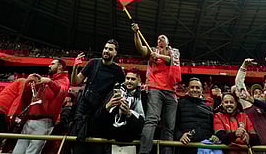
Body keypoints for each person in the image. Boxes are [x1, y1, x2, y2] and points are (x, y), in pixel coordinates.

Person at [131, 23, 181, 154]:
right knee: (151, 120)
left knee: (169, 125)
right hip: (155, 88)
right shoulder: (152, 49)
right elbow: (140, 49)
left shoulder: (174, 51)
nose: (160, 40)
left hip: (171, 90)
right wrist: (136, 33)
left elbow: (171, 61)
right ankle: (144, 152)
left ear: (168, 42)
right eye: (158, 39)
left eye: (163, 38)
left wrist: (158, 56)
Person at [69, 39, 125, 153]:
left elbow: (123, 90)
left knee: (97, 147)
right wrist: (75, 68)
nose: (106, 51)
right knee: (78, 146)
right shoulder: (93, 63)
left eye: (110, 49)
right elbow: (75, 81)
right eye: (105, 48)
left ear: (115, 53)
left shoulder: (118, 71)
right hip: (83, 110)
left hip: (101, 113)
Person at [13, 59, 70, 154]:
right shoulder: (46, 81)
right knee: (17, 152)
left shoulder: (64, 80)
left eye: (52, 64)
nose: (49, 66)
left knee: (32, 152)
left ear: (60, 66)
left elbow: (61, 90)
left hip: (43, 122)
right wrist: (30, 81)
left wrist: (49, 81)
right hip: (29, 120)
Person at [175, 78, 213, 154]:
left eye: (197, 87)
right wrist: (180, 136)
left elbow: (212, 127)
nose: (195, 90)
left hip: (205, 147)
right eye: (192, 87)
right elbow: (174, 125)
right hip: (186, 148)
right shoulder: (180, 104)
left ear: (201, 89)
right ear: (188, 89)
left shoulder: (208, 106)